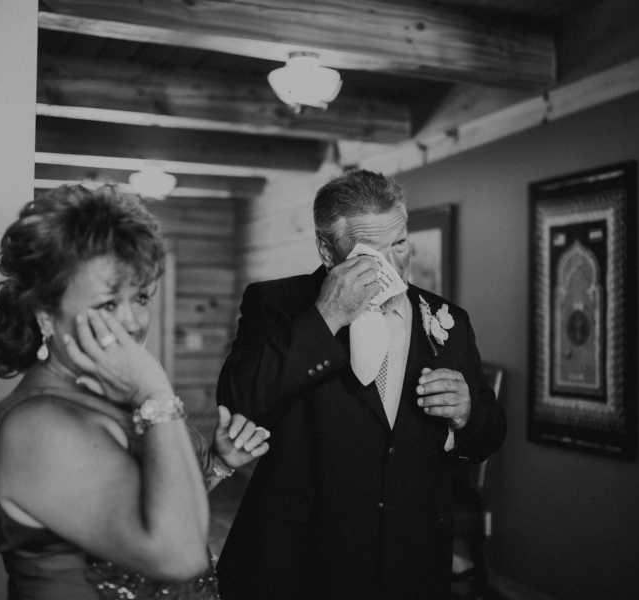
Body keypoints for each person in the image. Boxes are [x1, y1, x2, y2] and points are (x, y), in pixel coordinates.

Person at [215, 169, 506, 600]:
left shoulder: (450, 321)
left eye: (401, 244)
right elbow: (240, 400)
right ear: (328, 251)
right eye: (372, 252)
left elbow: (488, 433)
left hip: (410, 561)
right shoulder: (275, 304)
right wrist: (325, 318)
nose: (392, 265)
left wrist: (467, 412)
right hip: (297, 561)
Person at [0, 184, 270, 600]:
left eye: (141, 296)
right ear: (46, 314)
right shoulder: (36, 427)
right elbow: (178, 558)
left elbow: (149, 512)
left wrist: (217, 464)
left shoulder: (115, 393)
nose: (133, 322)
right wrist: (156, 389)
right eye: (109, 303)